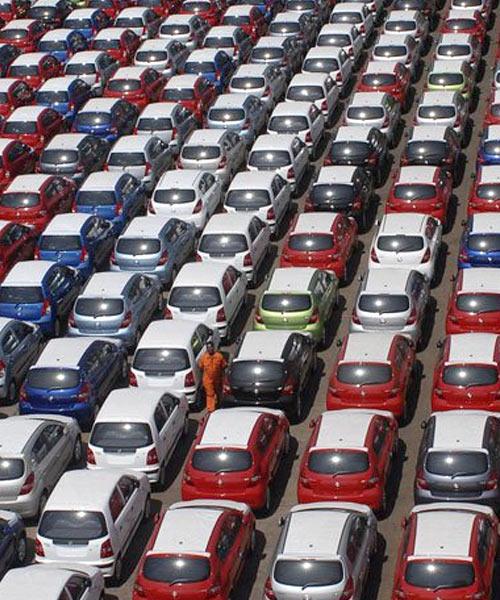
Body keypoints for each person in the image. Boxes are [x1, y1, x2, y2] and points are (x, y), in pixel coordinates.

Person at [198, 340, 227, 412]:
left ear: (213, 348)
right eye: (208, 348)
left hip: (217, 378)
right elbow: (201, 367)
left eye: (211, 347)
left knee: (218, 392)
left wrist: (223, 377)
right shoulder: (203, 358)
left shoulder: (219, 356)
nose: (210, 349)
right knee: (210, 394)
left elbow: (224, 366)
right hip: (208, 379)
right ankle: (211, 410)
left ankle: (219, 404)